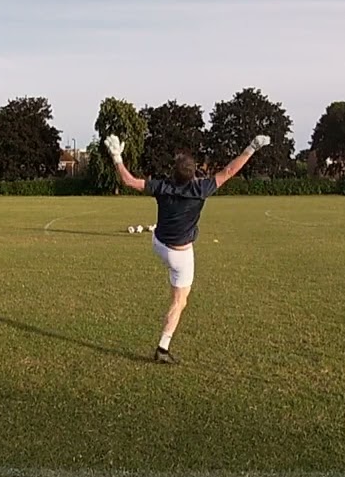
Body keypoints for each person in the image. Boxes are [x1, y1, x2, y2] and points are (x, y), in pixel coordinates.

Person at [104, 132, 270, 364]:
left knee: (169, 258)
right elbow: (230, 171)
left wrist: (116, 157)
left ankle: (164, 344)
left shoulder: (162, 186)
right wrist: (252, 147)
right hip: (180, 255)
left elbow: (129, 181)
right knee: (179, 301)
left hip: (158, 243)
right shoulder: (200, 189)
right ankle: (163, 348)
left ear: (174, 172)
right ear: (194, 174)